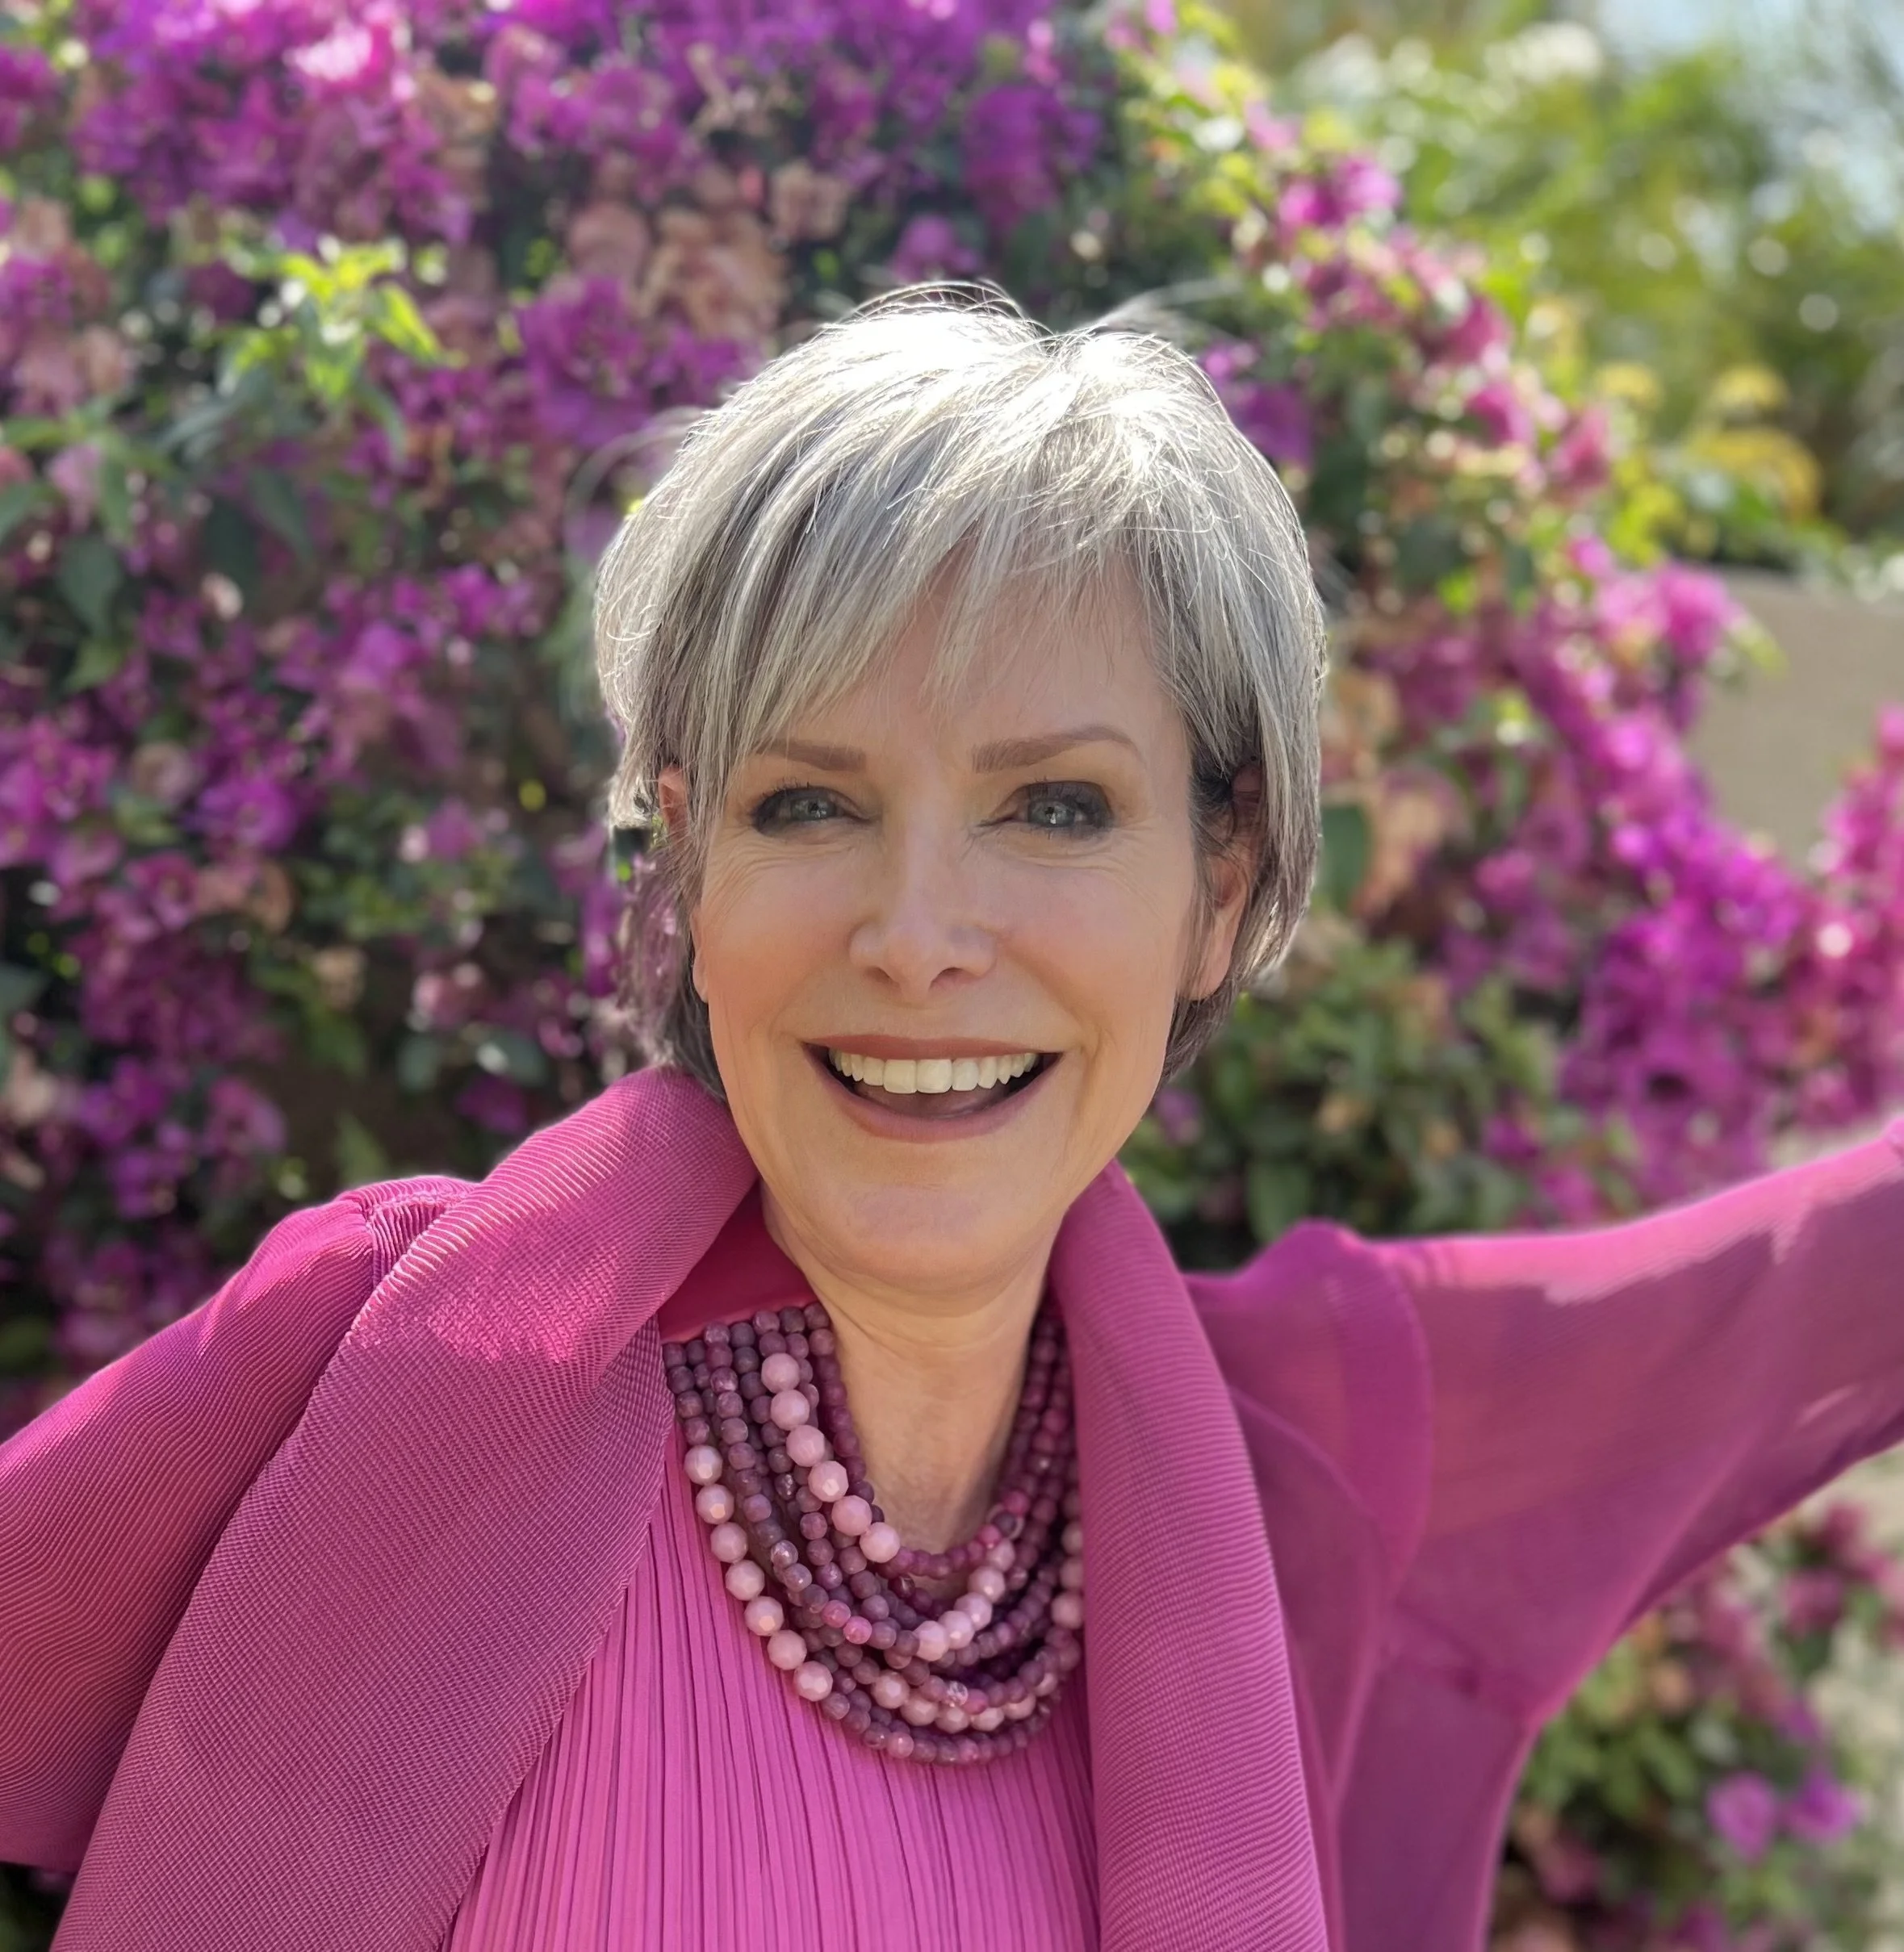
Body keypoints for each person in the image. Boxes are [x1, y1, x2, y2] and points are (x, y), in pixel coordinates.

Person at [2, 287, 1901, 1952]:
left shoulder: (1312, 1458)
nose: (917, 936)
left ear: (1221, 884)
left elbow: (1829, 1280)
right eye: (810, 805)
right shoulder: (392, 1363)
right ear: (689, 868)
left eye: (1055, 808)